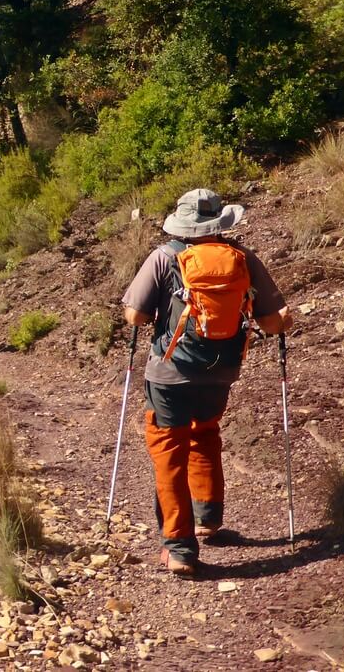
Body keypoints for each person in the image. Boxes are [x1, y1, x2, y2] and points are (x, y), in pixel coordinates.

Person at [121, 189, 292, 576]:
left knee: (169, 451)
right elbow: (272, 321)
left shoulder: (164, 257)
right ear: (221, 221)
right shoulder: (243, 259)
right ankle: (208, 517)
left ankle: (180, 548)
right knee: (205, 432)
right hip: (221, 370)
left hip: (169, 373)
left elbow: (135, 315)